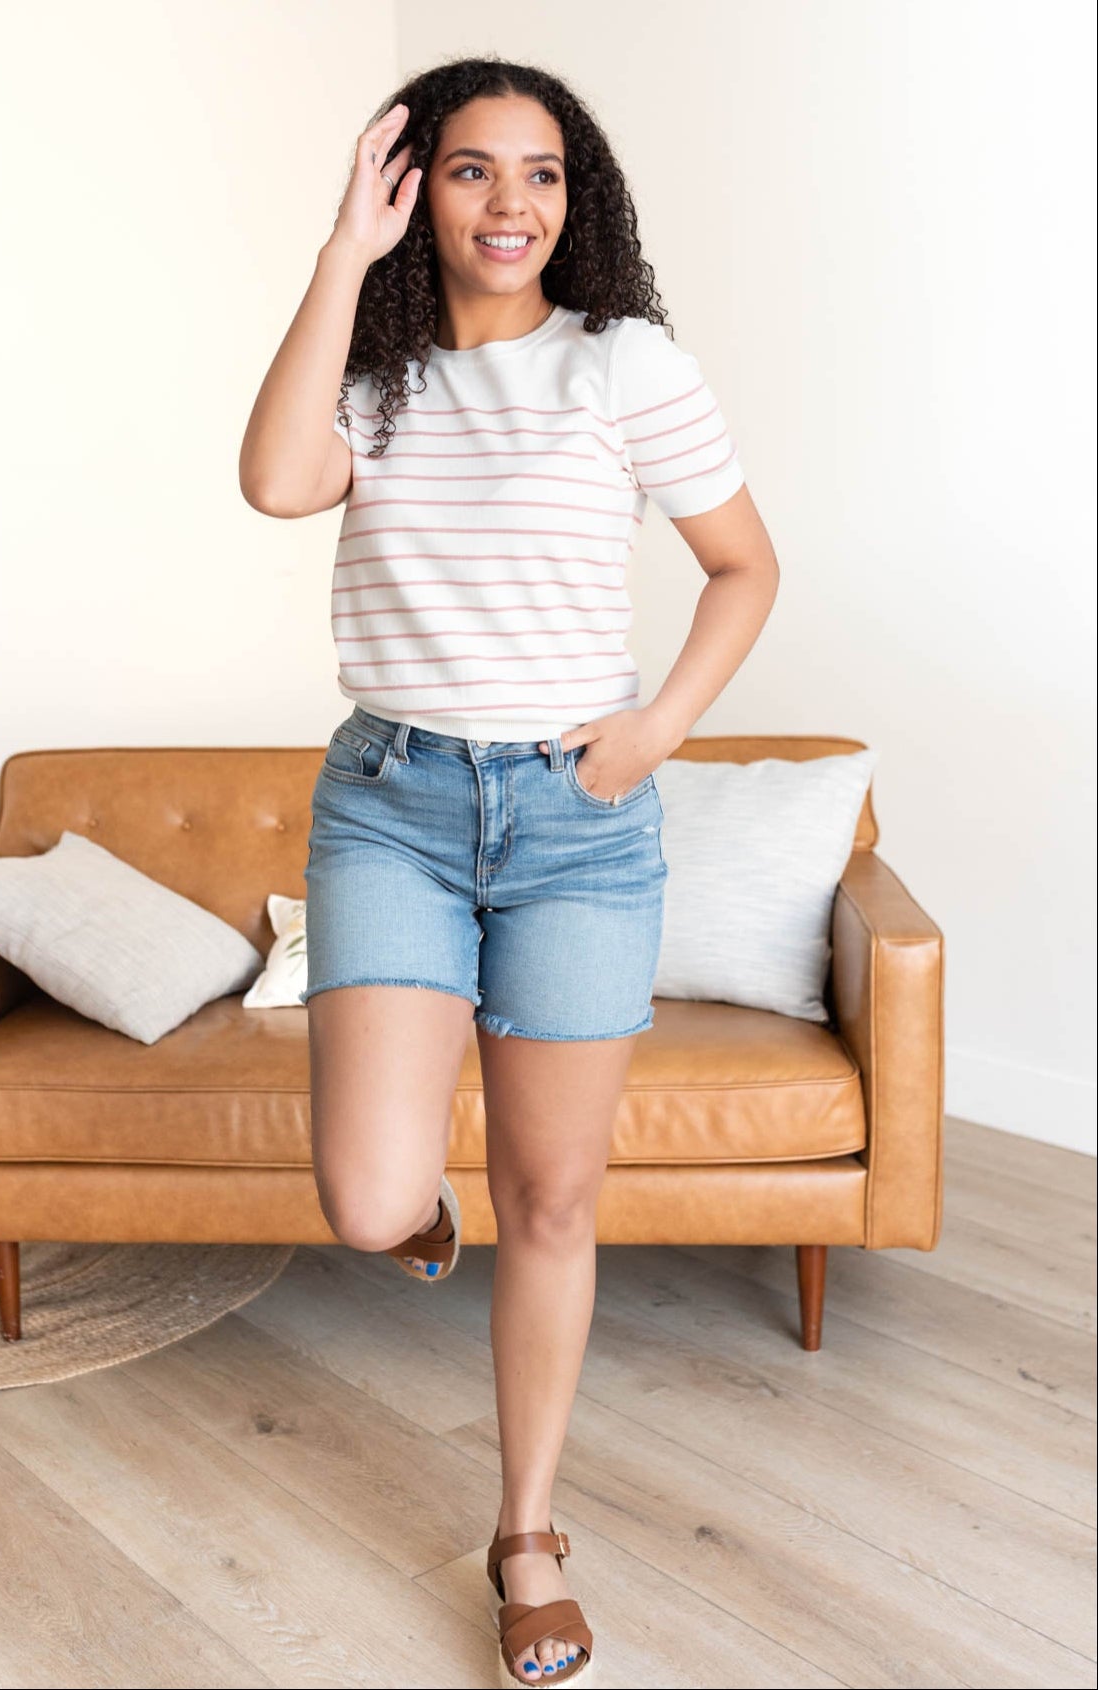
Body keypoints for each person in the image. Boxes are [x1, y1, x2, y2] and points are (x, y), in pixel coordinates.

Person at [239, 55, 779, 1688]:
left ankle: (526, 1530)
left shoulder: (624, 367)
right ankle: (419, 1218)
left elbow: (745, 567)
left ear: (579, 197)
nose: (508, 205)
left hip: (578, 822)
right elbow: (272, 483)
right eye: (471, 172)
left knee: (554, 1198)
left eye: (540, 174)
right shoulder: (379, 372)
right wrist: (340, 256)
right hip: (393, 801)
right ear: (421, 195)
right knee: (367, 1200)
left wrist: (654, 731)